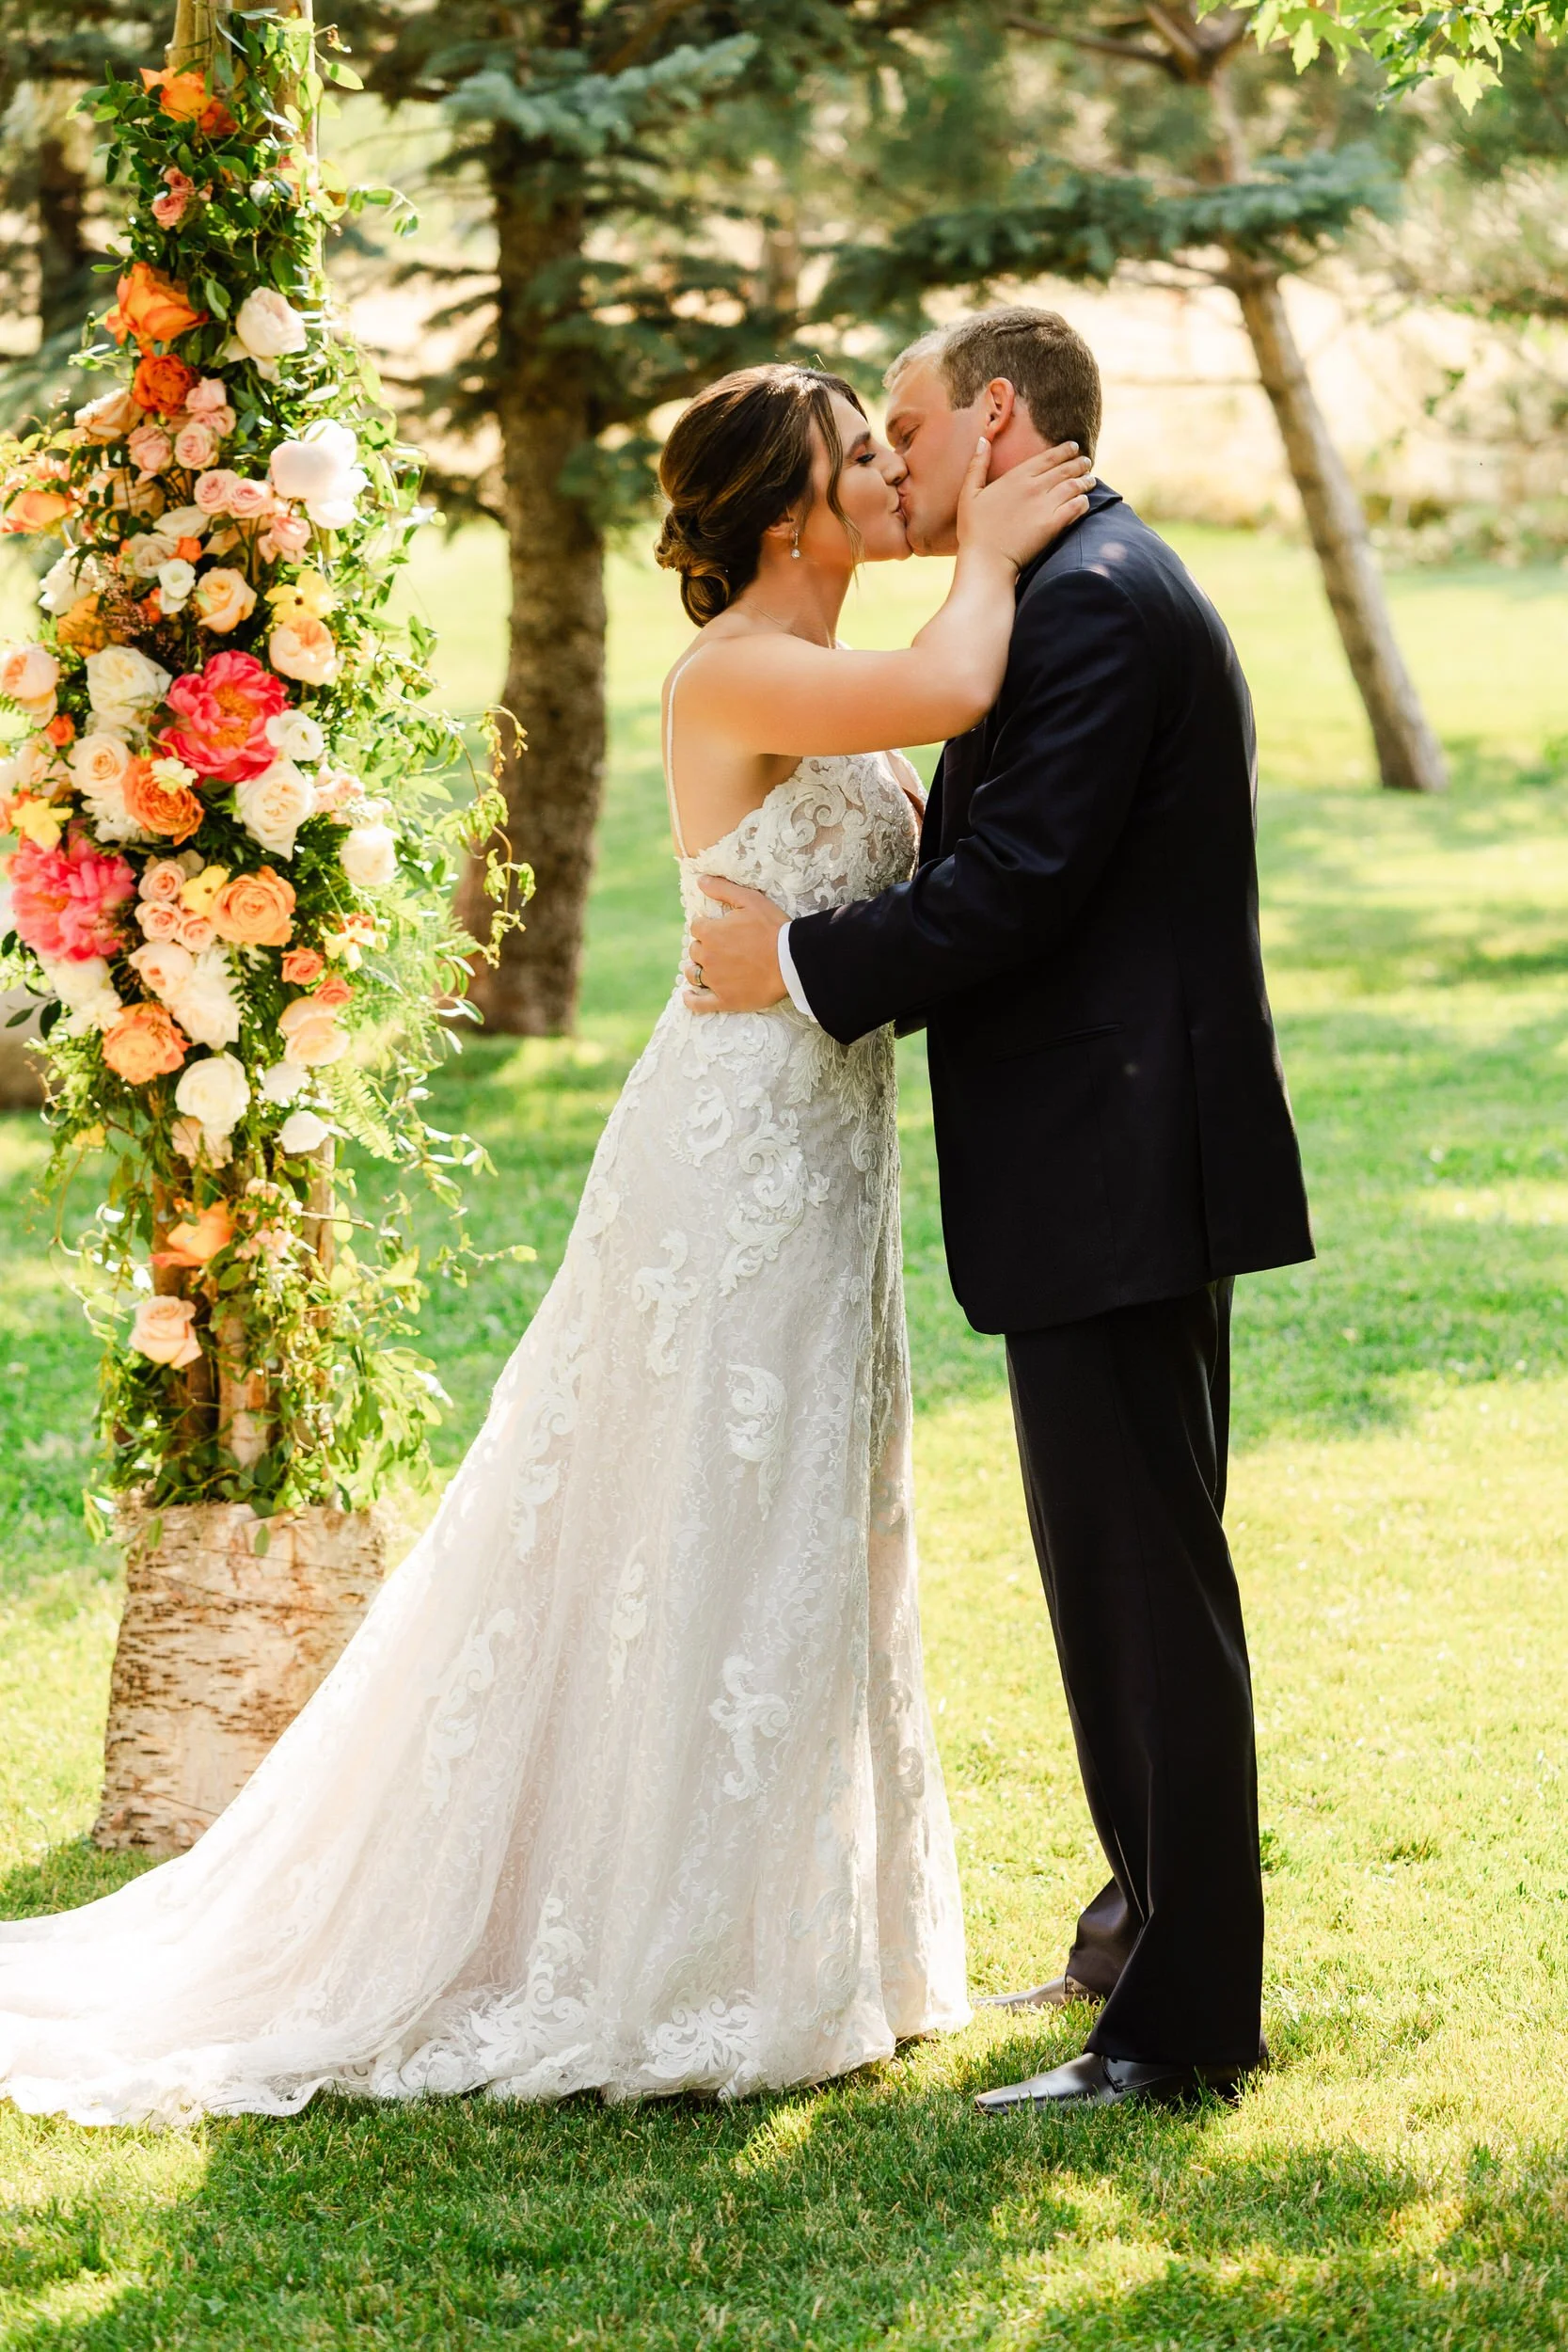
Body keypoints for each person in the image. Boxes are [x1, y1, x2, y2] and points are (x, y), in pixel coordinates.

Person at [0, 363, 1092, 2126]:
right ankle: (654, 1951)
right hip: (726, 1165)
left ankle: (803, 1938)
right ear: (782, 515)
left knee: (806, 1515)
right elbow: (962, 673)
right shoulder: (742, 665)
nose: (897, 480)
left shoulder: (823, 679)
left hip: (817, 1161)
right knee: (695, 1514)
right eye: (859, 463)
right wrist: (1008, 539)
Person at [684, 308, 1314, 2113]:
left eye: (903, 425)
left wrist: (796, 960)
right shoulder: (1075, 583)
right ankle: (1138, 1933)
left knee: (1141, 1588)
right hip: (1104, 1161)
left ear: (996, 419)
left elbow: (1012, 891)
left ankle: (1182, 2026)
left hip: (1117, 1164)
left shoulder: (1098, 599)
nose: (890, 460)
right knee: (1115, 1577)